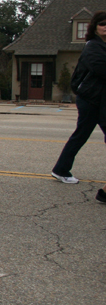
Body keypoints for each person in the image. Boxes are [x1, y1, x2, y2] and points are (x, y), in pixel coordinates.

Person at [51, 11, 106, 194]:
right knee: (81, 134)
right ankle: (61, 170)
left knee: (81, 134)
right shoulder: (93, 46)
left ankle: (60, 169)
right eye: (102, 24)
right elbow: (101, 69)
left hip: (100, 99)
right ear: (95, 28)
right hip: (90, 99)